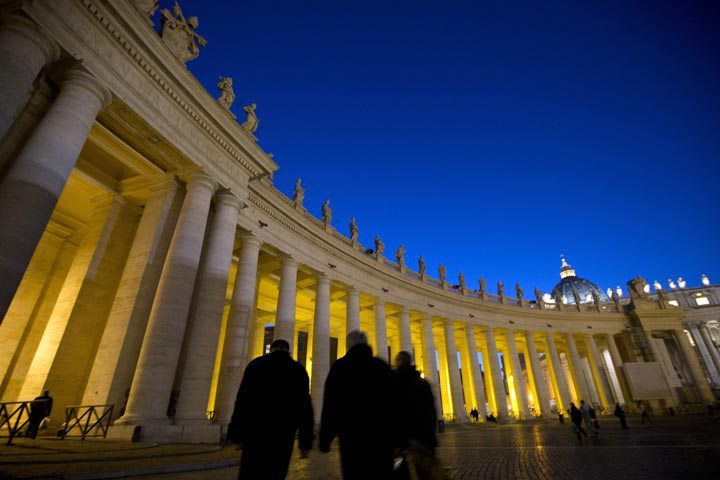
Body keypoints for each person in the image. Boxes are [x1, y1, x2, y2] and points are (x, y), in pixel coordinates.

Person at [227, 339, 313, 480]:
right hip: (283, 435)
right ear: (289, 351)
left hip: (255, 433)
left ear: (271, 349)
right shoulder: (298, 370)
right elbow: (305, 410)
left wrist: (237, 435)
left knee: (250, 473)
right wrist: (305, 443)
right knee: (276, 473)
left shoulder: (256, 365)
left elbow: (242, 402)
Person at [319, 330, 400, 480]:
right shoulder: (381, 366)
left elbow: (331, 405)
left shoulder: (340, 367)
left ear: (348, 345)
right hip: (381, 439)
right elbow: (396, 405)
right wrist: (398, 439)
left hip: (352, 439)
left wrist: (325, 438)